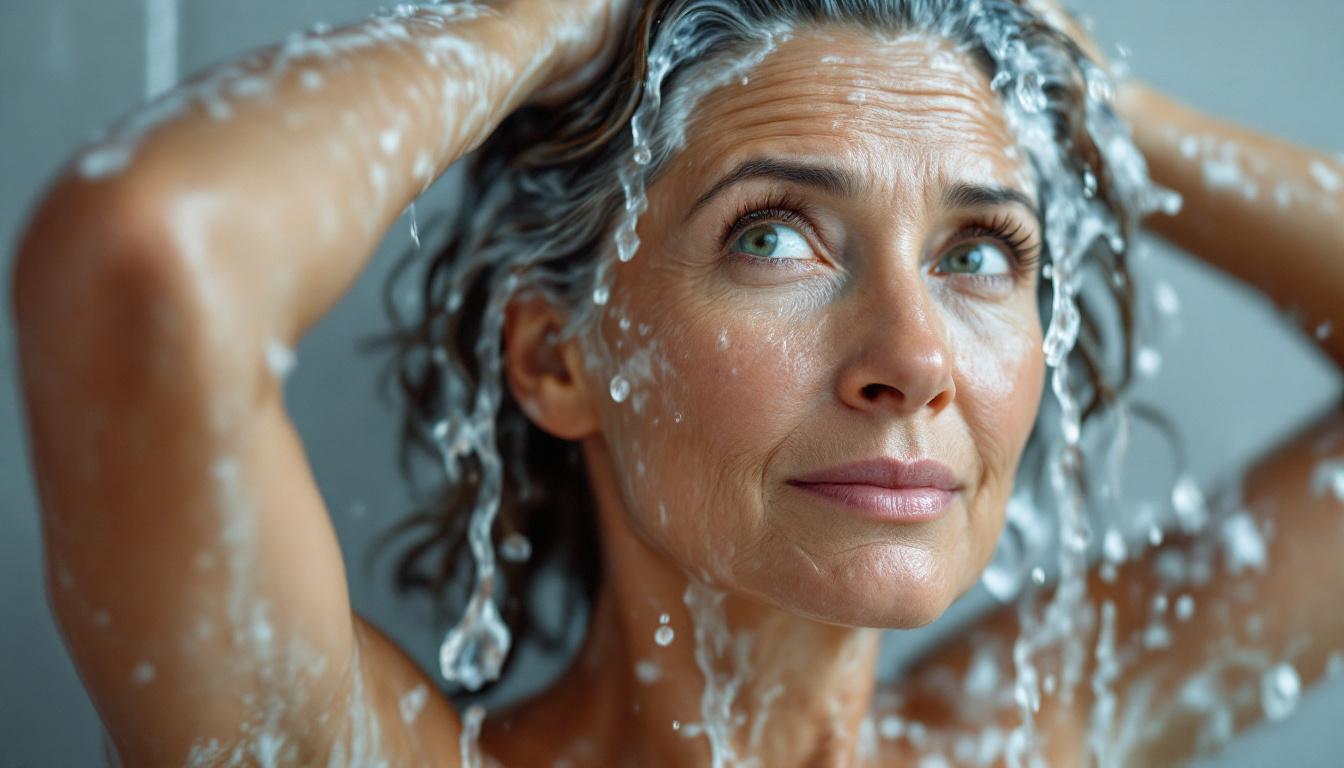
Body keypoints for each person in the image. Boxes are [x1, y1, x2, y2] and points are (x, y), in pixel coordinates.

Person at [10, 0, 1343, 765]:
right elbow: (148, 263)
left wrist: (1092, 101)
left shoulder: (1032, 742)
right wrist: (546, 18)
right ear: (562, 357)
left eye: (978, 250)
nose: (918, 359)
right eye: (774, 236)